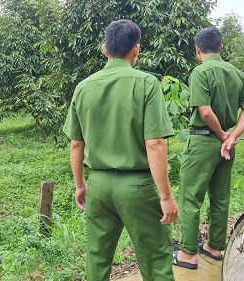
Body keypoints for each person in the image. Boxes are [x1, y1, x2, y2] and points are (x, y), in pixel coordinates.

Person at [63, 19, 178, 281]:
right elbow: (155, 144)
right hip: (138, 187)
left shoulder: (83, 87)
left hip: (99, 186)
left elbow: (76, 144)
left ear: (105, 49)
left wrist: (80, 185)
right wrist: (165, 196)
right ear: (136, 49)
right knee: (156, 259)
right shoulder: (146, 84)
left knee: (97, 258)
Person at [173, 26, 244, 269]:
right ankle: (215, 246)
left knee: (191, 197)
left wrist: (221, 135)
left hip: (203, 142)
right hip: (228, 146)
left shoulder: (200, 72)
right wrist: (231, 138)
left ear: (197, 50)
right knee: (220, 197)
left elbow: (205, 111)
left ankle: (188, 253)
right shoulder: (237, 73)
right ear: (221, 47)